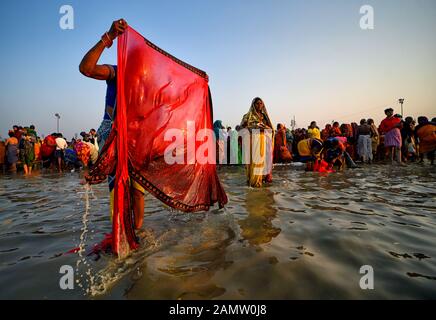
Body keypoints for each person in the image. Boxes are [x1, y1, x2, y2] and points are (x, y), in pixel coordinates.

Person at [79, 18, 146, 230]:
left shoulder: (146, 84)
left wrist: (197, 82)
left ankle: (138, 231)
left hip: (137, 139)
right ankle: (119, 231)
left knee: (137, 190)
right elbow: (86, 68)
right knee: (116, 186)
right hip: (114, 136)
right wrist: (109, 37)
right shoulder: (116, 73)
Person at [240, 97, 274, 187]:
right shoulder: (247, 116)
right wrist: (254, 127)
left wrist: (266, 128)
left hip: (263, 140)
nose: (259, 105)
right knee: (253, 162)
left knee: (261, 162)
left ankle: (259, 181)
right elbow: (241, 129)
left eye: (261, 103)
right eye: (257, 103)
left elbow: (271, 129)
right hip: (252, 141)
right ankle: (253, 182)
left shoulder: (264, 117)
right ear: (253, 105)